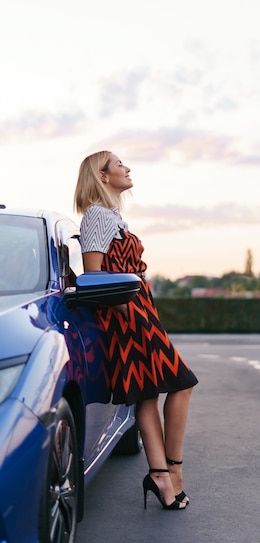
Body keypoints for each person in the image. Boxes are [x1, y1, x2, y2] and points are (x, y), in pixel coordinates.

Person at [74, 150, 198, 511]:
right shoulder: (97, 215)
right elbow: (93, 276)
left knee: (147, 394)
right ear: (102, 175)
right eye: (119, 164)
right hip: (126, 314)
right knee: (182, 384)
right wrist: (129, 310)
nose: (127, 168)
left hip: (138, 307)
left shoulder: (113, 216)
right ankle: (169, 473)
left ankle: (162, 475)